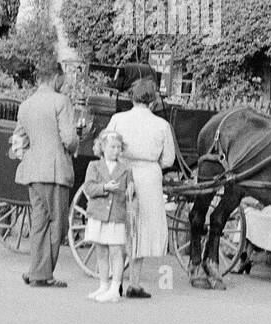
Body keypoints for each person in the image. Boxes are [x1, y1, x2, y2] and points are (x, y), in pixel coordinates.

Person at [106, 77, 176, 298]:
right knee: (141, 228)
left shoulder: (118, 119)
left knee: (119, 225)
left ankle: (113, 278)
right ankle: (134, 283)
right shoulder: (162, 125)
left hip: (122, 172)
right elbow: (168, 160)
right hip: (148, 176)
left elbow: (105, 145)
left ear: (132, 97)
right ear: (153, 100)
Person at [12, 62, 78, 288]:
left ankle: (35, 270)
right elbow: (68, 139)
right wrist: (79, 140)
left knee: (39, 223)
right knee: (57, 225)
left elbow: (19, 138)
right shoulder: (61, 102)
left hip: (33, 171)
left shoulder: (26, 105)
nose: (64, 83)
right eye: (63, 79)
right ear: (56, 78)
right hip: (55, 170)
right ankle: (43, 275)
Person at [79, 129, 135, 303]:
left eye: (119, 147)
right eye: (112, 147)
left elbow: (130, 189)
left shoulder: (126, 169)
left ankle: (115, 287)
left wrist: (131, 190)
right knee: (101, 250)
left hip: (116, 216)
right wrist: (104, 188)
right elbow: (88, 188)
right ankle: (103, 285)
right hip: (98, 214)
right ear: (102, 148)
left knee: (116, 251)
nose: (116, 150)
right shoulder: (94, 166)